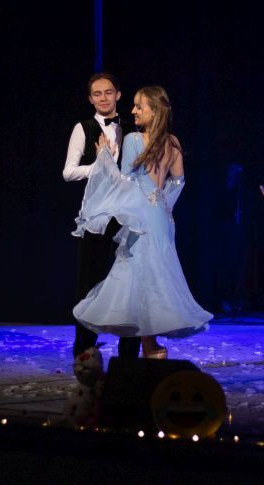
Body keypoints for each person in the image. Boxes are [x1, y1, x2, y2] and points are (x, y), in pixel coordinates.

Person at [72, 85, 212, 358]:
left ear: (155, 111)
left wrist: (104, 158)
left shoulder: (134, 139)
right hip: (162, 217)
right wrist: (161, 203)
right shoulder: (173, 142)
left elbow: (125, 183)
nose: (133, 111)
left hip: (142, 217)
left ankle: (151, 347)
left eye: (139, 106)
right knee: (154, 274)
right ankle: (150, 346)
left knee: (140, 277)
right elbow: (179, 181)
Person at [63, 72, 141, 359]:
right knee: (89, 284)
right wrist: (100, 164)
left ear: (118, 94)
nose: (104, 98)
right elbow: (69, 172)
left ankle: (129, 356)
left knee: (129, 285)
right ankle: (84, 352)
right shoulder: (83, 128)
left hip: (129, 215)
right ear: (90, 99)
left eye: (108, 92)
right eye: (97, 93)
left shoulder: (134, 127)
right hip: (97, 216)